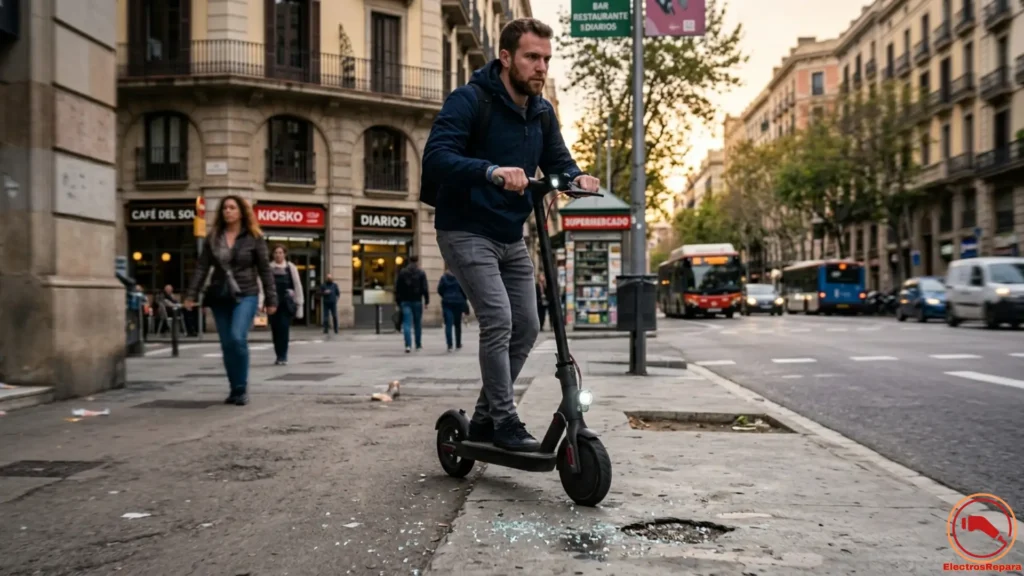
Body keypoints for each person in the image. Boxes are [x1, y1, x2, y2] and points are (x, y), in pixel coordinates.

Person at [422, 18, 600, 452]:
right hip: (465, 229)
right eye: (532, 57)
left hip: (510, 232)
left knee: (528, 324)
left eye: (546, 59)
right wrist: (490, 171)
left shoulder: (541, 112)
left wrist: (578, 179)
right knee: (498, 320)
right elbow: (437, 157)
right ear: (506, 58)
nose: (541, 67)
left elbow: (559, 162)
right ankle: (504, 420)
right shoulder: (469, 100)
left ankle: (483, 418)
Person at [184, 195, 277, 406]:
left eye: (232, 208)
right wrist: (191, 294)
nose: (228, 211)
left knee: (237, 338)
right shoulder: (214, 237)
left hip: (246, 294)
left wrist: (271, 299)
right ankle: (234, 388)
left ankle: (241, 388)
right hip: (220, 295)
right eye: (225, 208)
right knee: (227, 345)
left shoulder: (254, 237)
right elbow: (201, 268)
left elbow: (264, 270)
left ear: (241, 212)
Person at [267, 245, 304, 365]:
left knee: (284, 329)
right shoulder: (269, 268)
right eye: (276, 252)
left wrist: (299, 303)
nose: (278, 255)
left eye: (280, 252)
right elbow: (263, 286)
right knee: (275, 330)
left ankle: (283, 356)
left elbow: (297, 285)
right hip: (273, 303)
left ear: (285, 254)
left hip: (286, 304)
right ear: (273, 254)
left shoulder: (290, 267)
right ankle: (278, 355)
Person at [395, 256, 429, 353]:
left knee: (406, 323)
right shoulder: (421, 273)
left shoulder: (402, 273)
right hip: (417, 301)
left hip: (405, 301)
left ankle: (408, 345)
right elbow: (425, 288)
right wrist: (426, 301)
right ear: (417, 262)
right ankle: (418, 344)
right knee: (417, 323)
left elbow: (398, 288)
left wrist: (398, 301)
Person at [437, 265, 468, 352]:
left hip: (447, 302)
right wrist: (463, 299)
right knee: (458, 324)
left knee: (448, 324)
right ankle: (458, 343)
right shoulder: (459, 277)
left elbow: (439, 289)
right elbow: (464, 290)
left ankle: (449, 345)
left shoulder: (444, 277)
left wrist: (445, 296)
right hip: (458, 302)